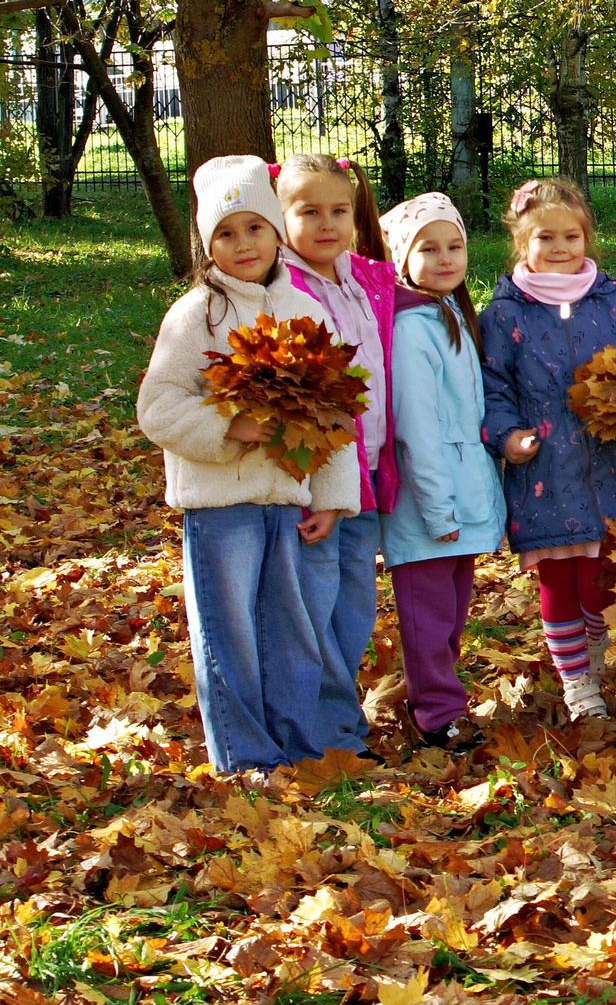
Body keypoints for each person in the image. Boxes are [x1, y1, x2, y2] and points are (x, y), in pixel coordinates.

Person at [139, 157, 360, 776]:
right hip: (220, 506)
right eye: (226, 233)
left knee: (290, 629)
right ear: (206, 243)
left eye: (255, 228)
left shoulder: (304, 311)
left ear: (275, 233)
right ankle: (244, 755)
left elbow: (334, 412)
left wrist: (334, 495)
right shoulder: (195, 314)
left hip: (287, 499)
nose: (243, 245)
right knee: (229, 632)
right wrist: (225, 426)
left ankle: (295, 744)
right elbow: (156, 405)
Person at [479, 178, 616, 724]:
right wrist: (507, 436)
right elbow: (493, 386)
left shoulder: (614, 303)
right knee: (558, 575)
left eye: (571, 236)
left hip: (610, 468)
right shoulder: (507, 313)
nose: (559, 248)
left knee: (600, 578)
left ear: (587, 239)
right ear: (521, 244)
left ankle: (592, 656)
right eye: (545, 238)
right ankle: (578, 684)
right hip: (545, 473)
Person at [275, 152, 399, 757]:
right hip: (320, 482)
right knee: (314, 607)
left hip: (370, 474)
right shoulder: (281, 289)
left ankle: (338, 717)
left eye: (339, 210)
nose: (326, 224)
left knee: (353, 609)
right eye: (308, 212)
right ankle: (324, 733)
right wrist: (319, 485)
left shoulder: (371, 278)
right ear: (280, 218)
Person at [380, 193, 506, 753]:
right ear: (402, 256)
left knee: (452, 613)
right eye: (427, 248)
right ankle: (436, 714)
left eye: (454, 245)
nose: (445, 258)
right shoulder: (412, 327)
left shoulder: (450, 312)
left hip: (460, 495)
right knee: (428, 618)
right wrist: (437, 508)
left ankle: (438, 702)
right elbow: (419, 430)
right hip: (429, 506)